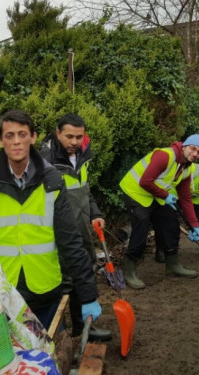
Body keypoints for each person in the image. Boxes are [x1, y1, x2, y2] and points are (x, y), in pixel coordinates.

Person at [0, 110, 102, 330]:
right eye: (9, 136)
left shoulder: (52, 180)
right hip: (2, 291)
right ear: (0, 140)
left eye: (22, 134)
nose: (16, 141)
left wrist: (88, 294)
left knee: (50, 356)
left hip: (45, 290)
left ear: (33, 137)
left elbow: (70, 240)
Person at [40, 113, 112, 341]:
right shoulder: (44, 160)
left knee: (86, 272)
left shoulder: (82, 154)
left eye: (79, 137)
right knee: (62, 282)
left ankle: (83, 330)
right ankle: (56, 335)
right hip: (56, 232)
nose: (74, 142)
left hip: (80, 226)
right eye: (69, 136)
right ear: (57, 132)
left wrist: (95, 213)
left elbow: (84, 189)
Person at [118, 134, 199, 289]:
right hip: (136, 192)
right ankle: (129, 271)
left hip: (155, 194)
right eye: (193, 149)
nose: (195, 154)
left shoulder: (187, 168)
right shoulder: (165, 155)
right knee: (141, 230)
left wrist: (195, 225)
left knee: (170, 223)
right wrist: (165, 195)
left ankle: (173, 264)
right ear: (185, 146)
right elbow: (145, 181)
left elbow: (185, 198)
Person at [155, 161, 199, 260]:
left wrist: (194, 227)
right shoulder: (191, 171)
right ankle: (162, 250)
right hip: (172, 197)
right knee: (167, 219)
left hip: (191, 202)